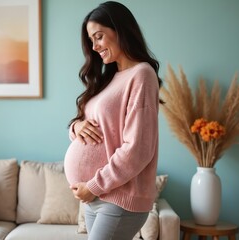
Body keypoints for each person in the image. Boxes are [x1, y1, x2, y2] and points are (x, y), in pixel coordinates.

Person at [64, 1, 163, 240]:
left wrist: (94, 186)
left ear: (120, 30)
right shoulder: (111, 77)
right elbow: (92, 123)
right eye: (91, 40)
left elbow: (138, 149)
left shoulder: (142, 74)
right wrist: (76, 127)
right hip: (97, 198)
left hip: (118, 199)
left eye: (99, 36)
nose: (95, 46)